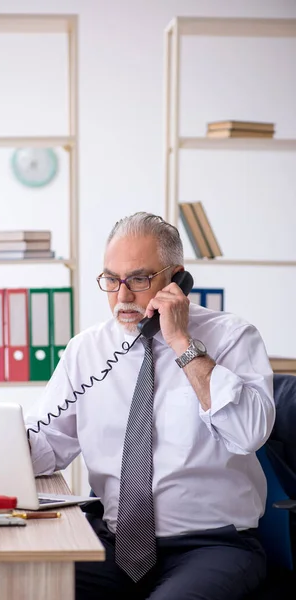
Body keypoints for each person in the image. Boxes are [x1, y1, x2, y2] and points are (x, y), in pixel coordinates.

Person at [25, 212, 275, 600]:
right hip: (115, 544)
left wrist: (181, 342)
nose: (122, 296)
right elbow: (48, 444)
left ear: (176, 278)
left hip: (211, 547)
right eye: (111, 280)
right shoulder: (86, 350)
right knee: (27, 584)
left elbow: (248, 434)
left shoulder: (232, 337)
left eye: (138, 279)